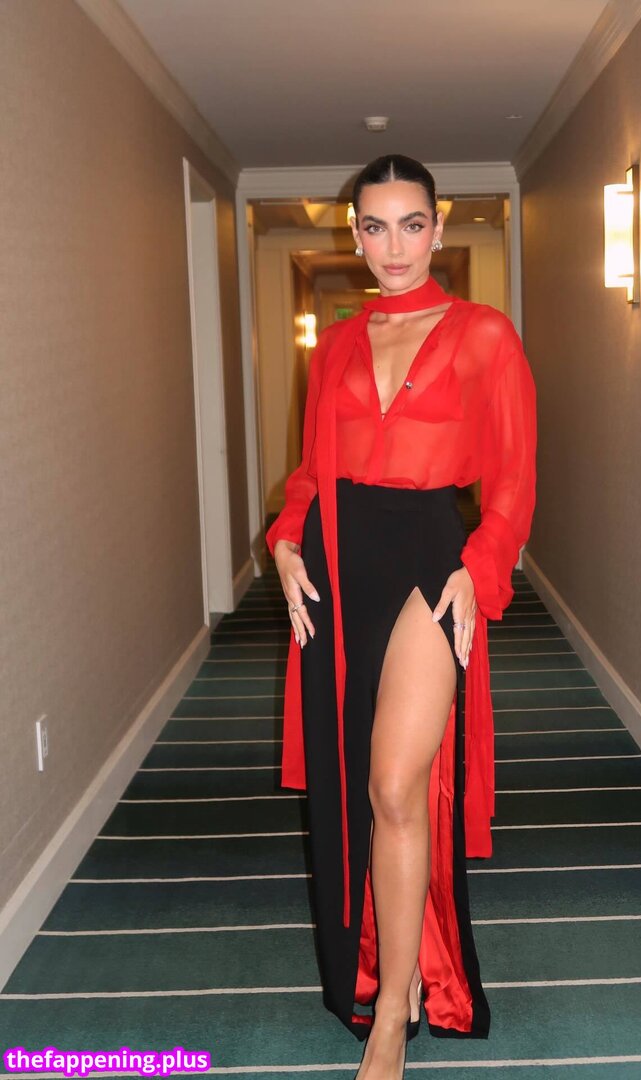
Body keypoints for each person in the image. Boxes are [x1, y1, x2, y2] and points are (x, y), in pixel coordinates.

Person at [266, 153, 537, 1080]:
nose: (395, 246)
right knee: (356, 785)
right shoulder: (336, 345)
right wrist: (286, 540)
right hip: (339, 564)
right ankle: (397, 976)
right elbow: (311, 472)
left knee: (394, 785)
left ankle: (392, 1013)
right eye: (376, 227)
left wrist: (480, 567)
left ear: (439, 226)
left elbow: (513, 481)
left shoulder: (483, 334)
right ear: (355, 235)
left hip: (429, 560)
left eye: (412, 224)